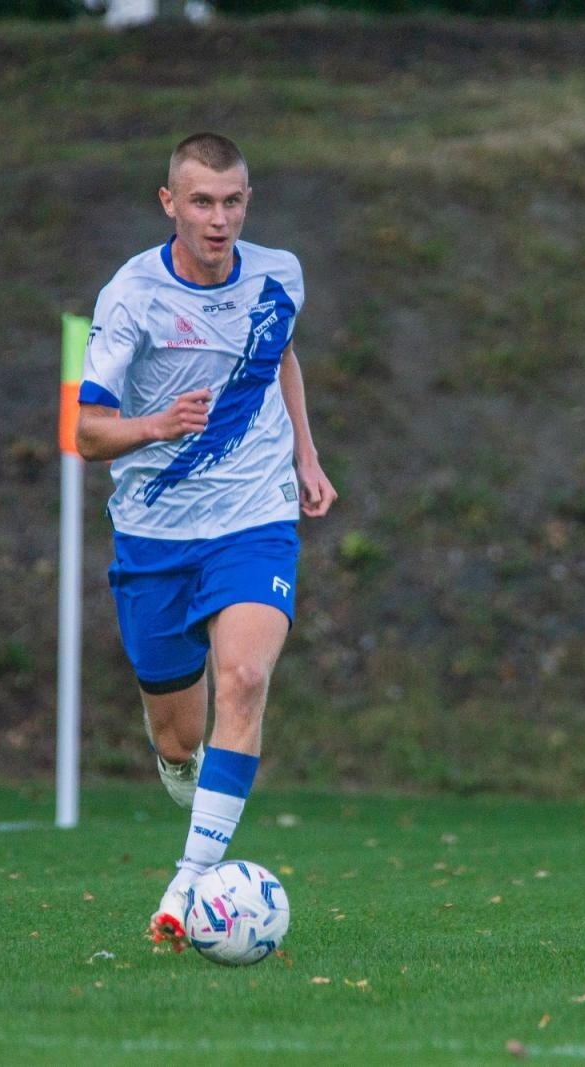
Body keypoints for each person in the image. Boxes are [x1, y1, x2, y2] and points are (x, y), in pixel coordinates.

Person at [75, 132, 337, 949]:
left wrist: (306, 452)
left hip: (254, 516)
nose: (217, 219)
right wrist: (155, 424)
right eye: (201, 202)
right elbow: (83, 430)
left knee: (247, 673)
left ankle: (189, 883)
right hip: (154, 534)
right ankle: (183, 770)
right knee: (177, 733)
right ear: (170, 205)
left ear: (246, 203)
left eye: (231, 202)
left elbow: (279, 353)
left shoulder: (279, 273)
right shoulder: (132, 298)